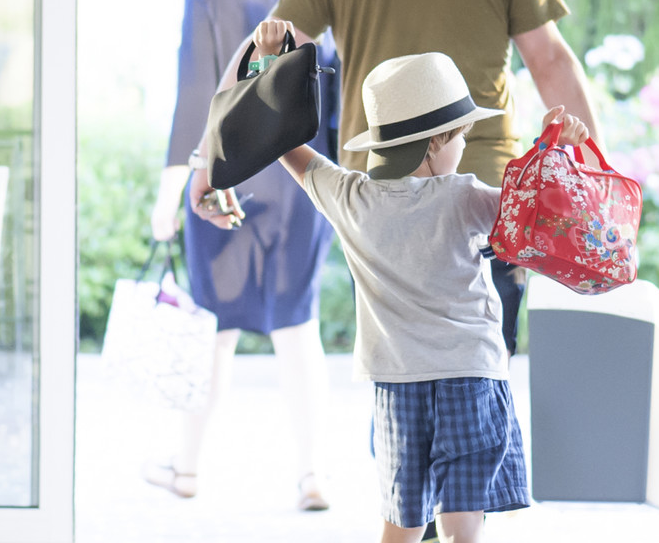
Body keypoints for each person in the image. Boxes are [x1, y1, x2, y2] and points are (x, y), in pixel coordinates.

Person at [187, 0, 601, 360]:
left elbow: (265, 55)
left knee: (395, 372)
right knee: (487, 367)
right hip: (486, 191)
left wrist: (211, 160)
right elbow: (552, 62)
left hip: (381, 205)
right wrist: (592, 175)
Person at [205, 35, 592, 543]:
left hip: (398, 385)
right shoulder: (465, 196)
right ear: (434, 141)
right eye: (460, 136)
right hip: (471, 376)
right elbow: (542, 218)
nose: (462, 146)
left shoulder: (348, 197)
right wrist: (554, 149)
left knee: (401, 525)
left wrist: (272, 62)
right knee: (462, 530)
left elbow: (282, 144)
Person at [147, 0, 338, 511]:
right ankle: (312, 475)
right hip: (301, 183)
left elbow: (194, 105)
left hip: (221, 185)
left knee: (214, 332)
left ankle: (188, 467)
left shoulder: (205, 0)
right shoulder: (316, 0)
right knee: (298, 329)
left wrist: (168, 197)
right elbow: (330, 100)